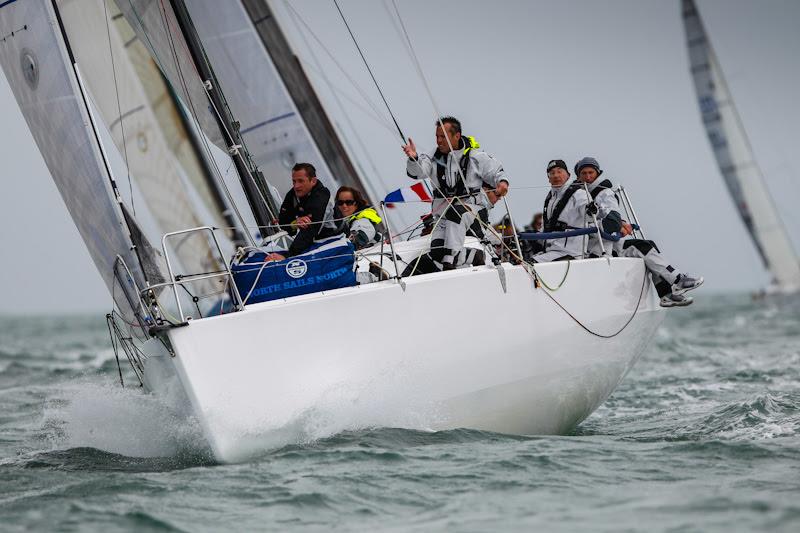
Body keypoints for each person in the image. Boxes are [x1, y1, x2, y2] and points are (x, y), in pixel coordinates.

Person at [574, 156, 703, 307]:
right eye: (584, 173)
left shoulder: (601, 192)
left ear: (597, 173)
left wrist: (619, 224)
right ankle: (676, 280)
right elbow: (605, 222)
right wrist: (618, 225)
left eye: (591, 172)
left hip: (607, 242)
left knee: (649, 245)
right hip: (599, 246)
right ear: (578, 175)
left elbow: (607, 218)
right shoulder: (583, 194)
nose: (588, 177)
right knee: (643, 247)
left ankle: (667, 292)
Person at [402, 116, 509, 271]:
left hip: (473, 213)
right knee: (437, 252)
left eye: (443, 137)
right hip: (443, 215)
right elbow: (418, 172)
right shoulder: (431, 157)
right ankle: (474, 256)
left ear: (456, 136)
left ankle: (449, 264)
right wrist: (413, 158)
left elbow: (496, 171)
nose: (439, 141)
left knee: (456, 215)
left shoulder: (474, 156)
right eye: (437, 136)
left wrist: (503, 184)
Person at [266, 163, 337, 261]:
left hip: (332, 239)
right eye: (294, 181)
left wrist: (287, 256)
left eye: (300, 181)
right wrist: (295, 223)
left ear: (313, 181)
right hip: (313, 240)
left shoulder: (321, 196)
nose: (296, 186)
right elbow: (282, 221)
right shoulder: (293, 194)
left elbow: (309, 231)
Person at [532, 159, 590, 262]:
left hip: (571, 253)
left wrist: (590, 209)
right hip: (551, 251)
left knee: (530, 265)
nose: (556, 175)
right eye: (552, 173)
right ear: (548, 178)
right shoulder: (550, 198)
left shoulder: (579, 194)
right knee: (523, 262)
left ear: (568, 175)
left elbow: (589, 214)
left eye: (559, 171)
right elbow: (546, 227)